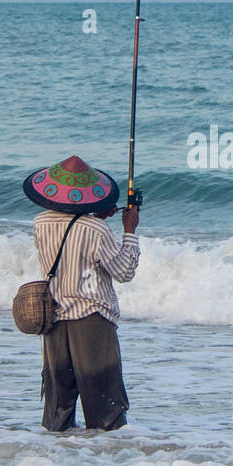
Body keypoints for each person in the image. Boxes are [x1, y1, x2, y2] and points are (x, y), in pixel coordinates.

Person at [22, 154, 140, 432]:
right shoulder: (97, 229)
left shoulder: (41, 222)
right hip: (91, 319)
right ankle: (105, 464)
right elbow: (124, 272)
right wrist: (130, 231)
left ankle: (61, 461)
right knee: (105, 406)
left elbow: (71, 235)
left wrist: (95, 216)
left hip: (53, 317)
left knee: (58, 407)